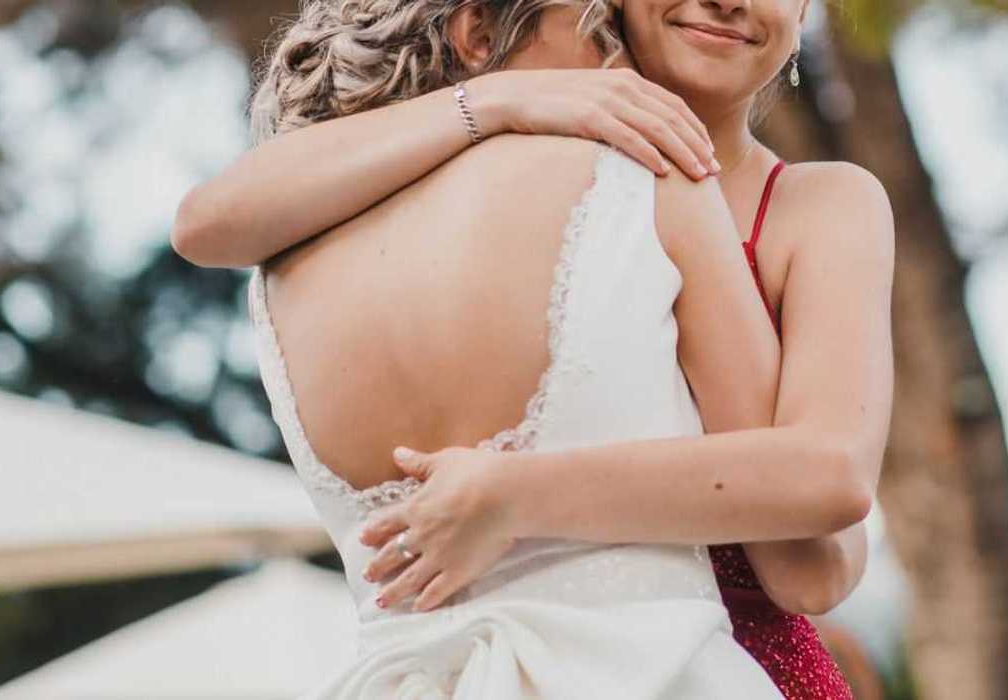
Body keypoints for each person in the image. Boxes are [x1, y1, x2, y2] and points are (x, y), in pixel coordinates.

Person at [173, 0, 894, 696]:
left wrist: (513, 496)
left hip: (736, 662)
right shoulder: (522, 176)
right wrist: (500, 101)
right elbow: (205, 223)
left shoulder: (814, 204)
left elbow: (818, 556)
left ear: (805, 15)